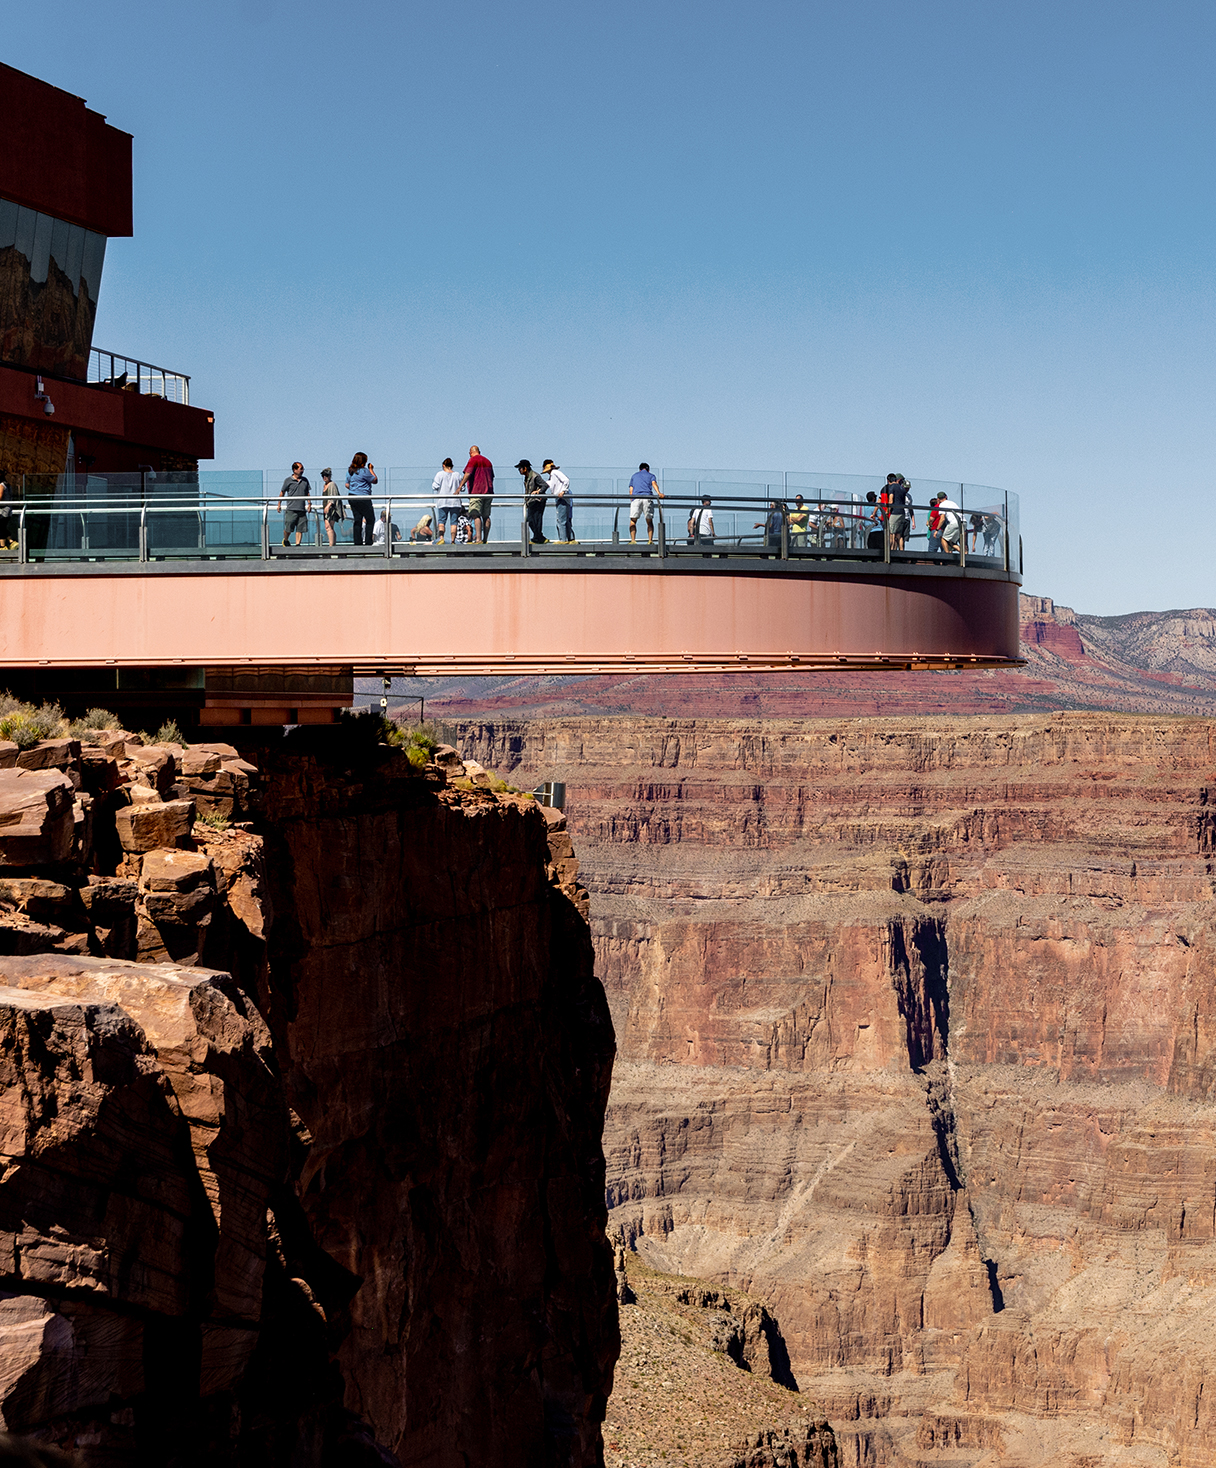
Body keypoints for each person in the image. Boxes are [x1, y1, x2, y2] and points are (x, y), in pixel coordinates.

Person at [459, 446, 494, 543]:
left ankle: (478, 539)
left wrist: (460, 486)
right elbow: (492, 476)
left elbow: (468, 473)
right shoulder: (488, 461)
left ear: (470, 452)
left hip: (477, 491)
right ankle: (485, 539)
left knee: (475, 514)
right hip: (489, 492)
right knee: (486, 516)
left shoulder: (473, 460)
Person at [277, 462, 312, 547]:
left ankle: (297, 545)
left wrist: (309, 503)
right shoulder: (288, 480)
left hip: (301, 509)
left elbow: (307, 493)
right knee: (288, 527)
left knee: (300, 528)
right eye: (300, 469)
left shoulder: (305, 480)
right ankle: (285, 540)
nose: (302, 470)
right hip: (291, 508)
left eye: (303, 469)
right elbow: (282, 492)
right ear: (294, 470)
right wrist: (279, 504)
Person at [346, 453, 378, 545]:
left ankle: (357, 542)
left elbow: (347, 484)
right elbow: (375, 480)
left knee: (357, 519)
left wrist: (355, 488)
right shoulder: (364, 471)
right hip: (363, 498)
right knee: (370, 519)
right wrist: (371, 469)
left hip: (352, 497)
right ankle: (368, 541)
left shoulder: (350, 471)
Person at [628, 463, 663, 544]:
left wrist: (632, 499)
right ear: (648, 470)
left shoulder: (634, 476)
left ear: (640, 469)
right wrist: (659, 493)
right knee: (649, 521)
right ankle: (650, 540)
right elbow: (654, 484)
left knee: (633, 520)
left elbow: (631, 489)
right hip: (647, 498)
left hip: (636, 498)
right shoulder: (651, 475)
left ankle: (633, 540)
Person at [516, 459, 549, 544]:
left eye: (520, 468)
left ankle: (538, 538)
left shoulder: (535, 476)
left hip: (538, 501)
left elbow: (545, 485)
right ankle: (539, 537)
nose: (519, 470)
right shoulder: (527, 477)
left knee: (536, 520)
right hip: (532, 501)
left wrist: (538, 492)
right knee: (531, 520)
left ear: (525, 468)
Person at [432, 458, 463, 544]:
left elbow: (435, 486)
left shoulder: (440, 474)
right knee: (454, 522)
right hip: (455, 502)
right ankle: (453, 540)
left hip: (443, 501)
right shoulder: (457, 475)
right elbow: (462, 488)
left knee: (441, 521)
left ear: (443, 465)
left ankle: (441, 538)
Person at [545, 460, 574, 543]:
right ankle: (570, 538)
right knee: (565, 519)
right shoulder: (552, 476)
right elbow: (548, 484)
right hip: (562, 498)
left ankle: (563, 540)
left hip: (562, 498)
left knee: (561, 520)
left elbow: (566, 480)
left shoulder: (554, 472)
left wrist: (563, 491)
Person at [885, 473, 912, 551]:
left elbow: (891, 500)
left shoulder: (892, 487)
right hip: (902, 513)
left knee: (891, 533)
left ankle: (891, 551)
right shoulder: (902, 489)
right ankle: (901, 551)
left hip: (895, 512)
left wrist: (887, 511)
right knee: (899, 535)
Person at [320, 467, 345, 548]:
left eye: (326, 475)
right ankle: (332, 544)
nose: (324, 477)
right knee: (329, 527)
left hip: (332, 509)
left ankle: (331, 545)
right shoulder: (325, 485)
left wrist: (328, 505)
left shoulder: (332, 484)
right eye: (323, 475)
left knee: (328, 526)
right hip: (327, 510)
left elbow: (333, 496)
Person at [0, 469, 13, 550]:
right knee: (2, 527)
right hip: (8, 509)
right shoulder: (7, 485)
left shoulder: (1, 485)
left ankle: (3, 546)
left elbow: (0, 496)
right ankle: (11, 541)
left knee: (1, 527)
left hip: (3, 510)